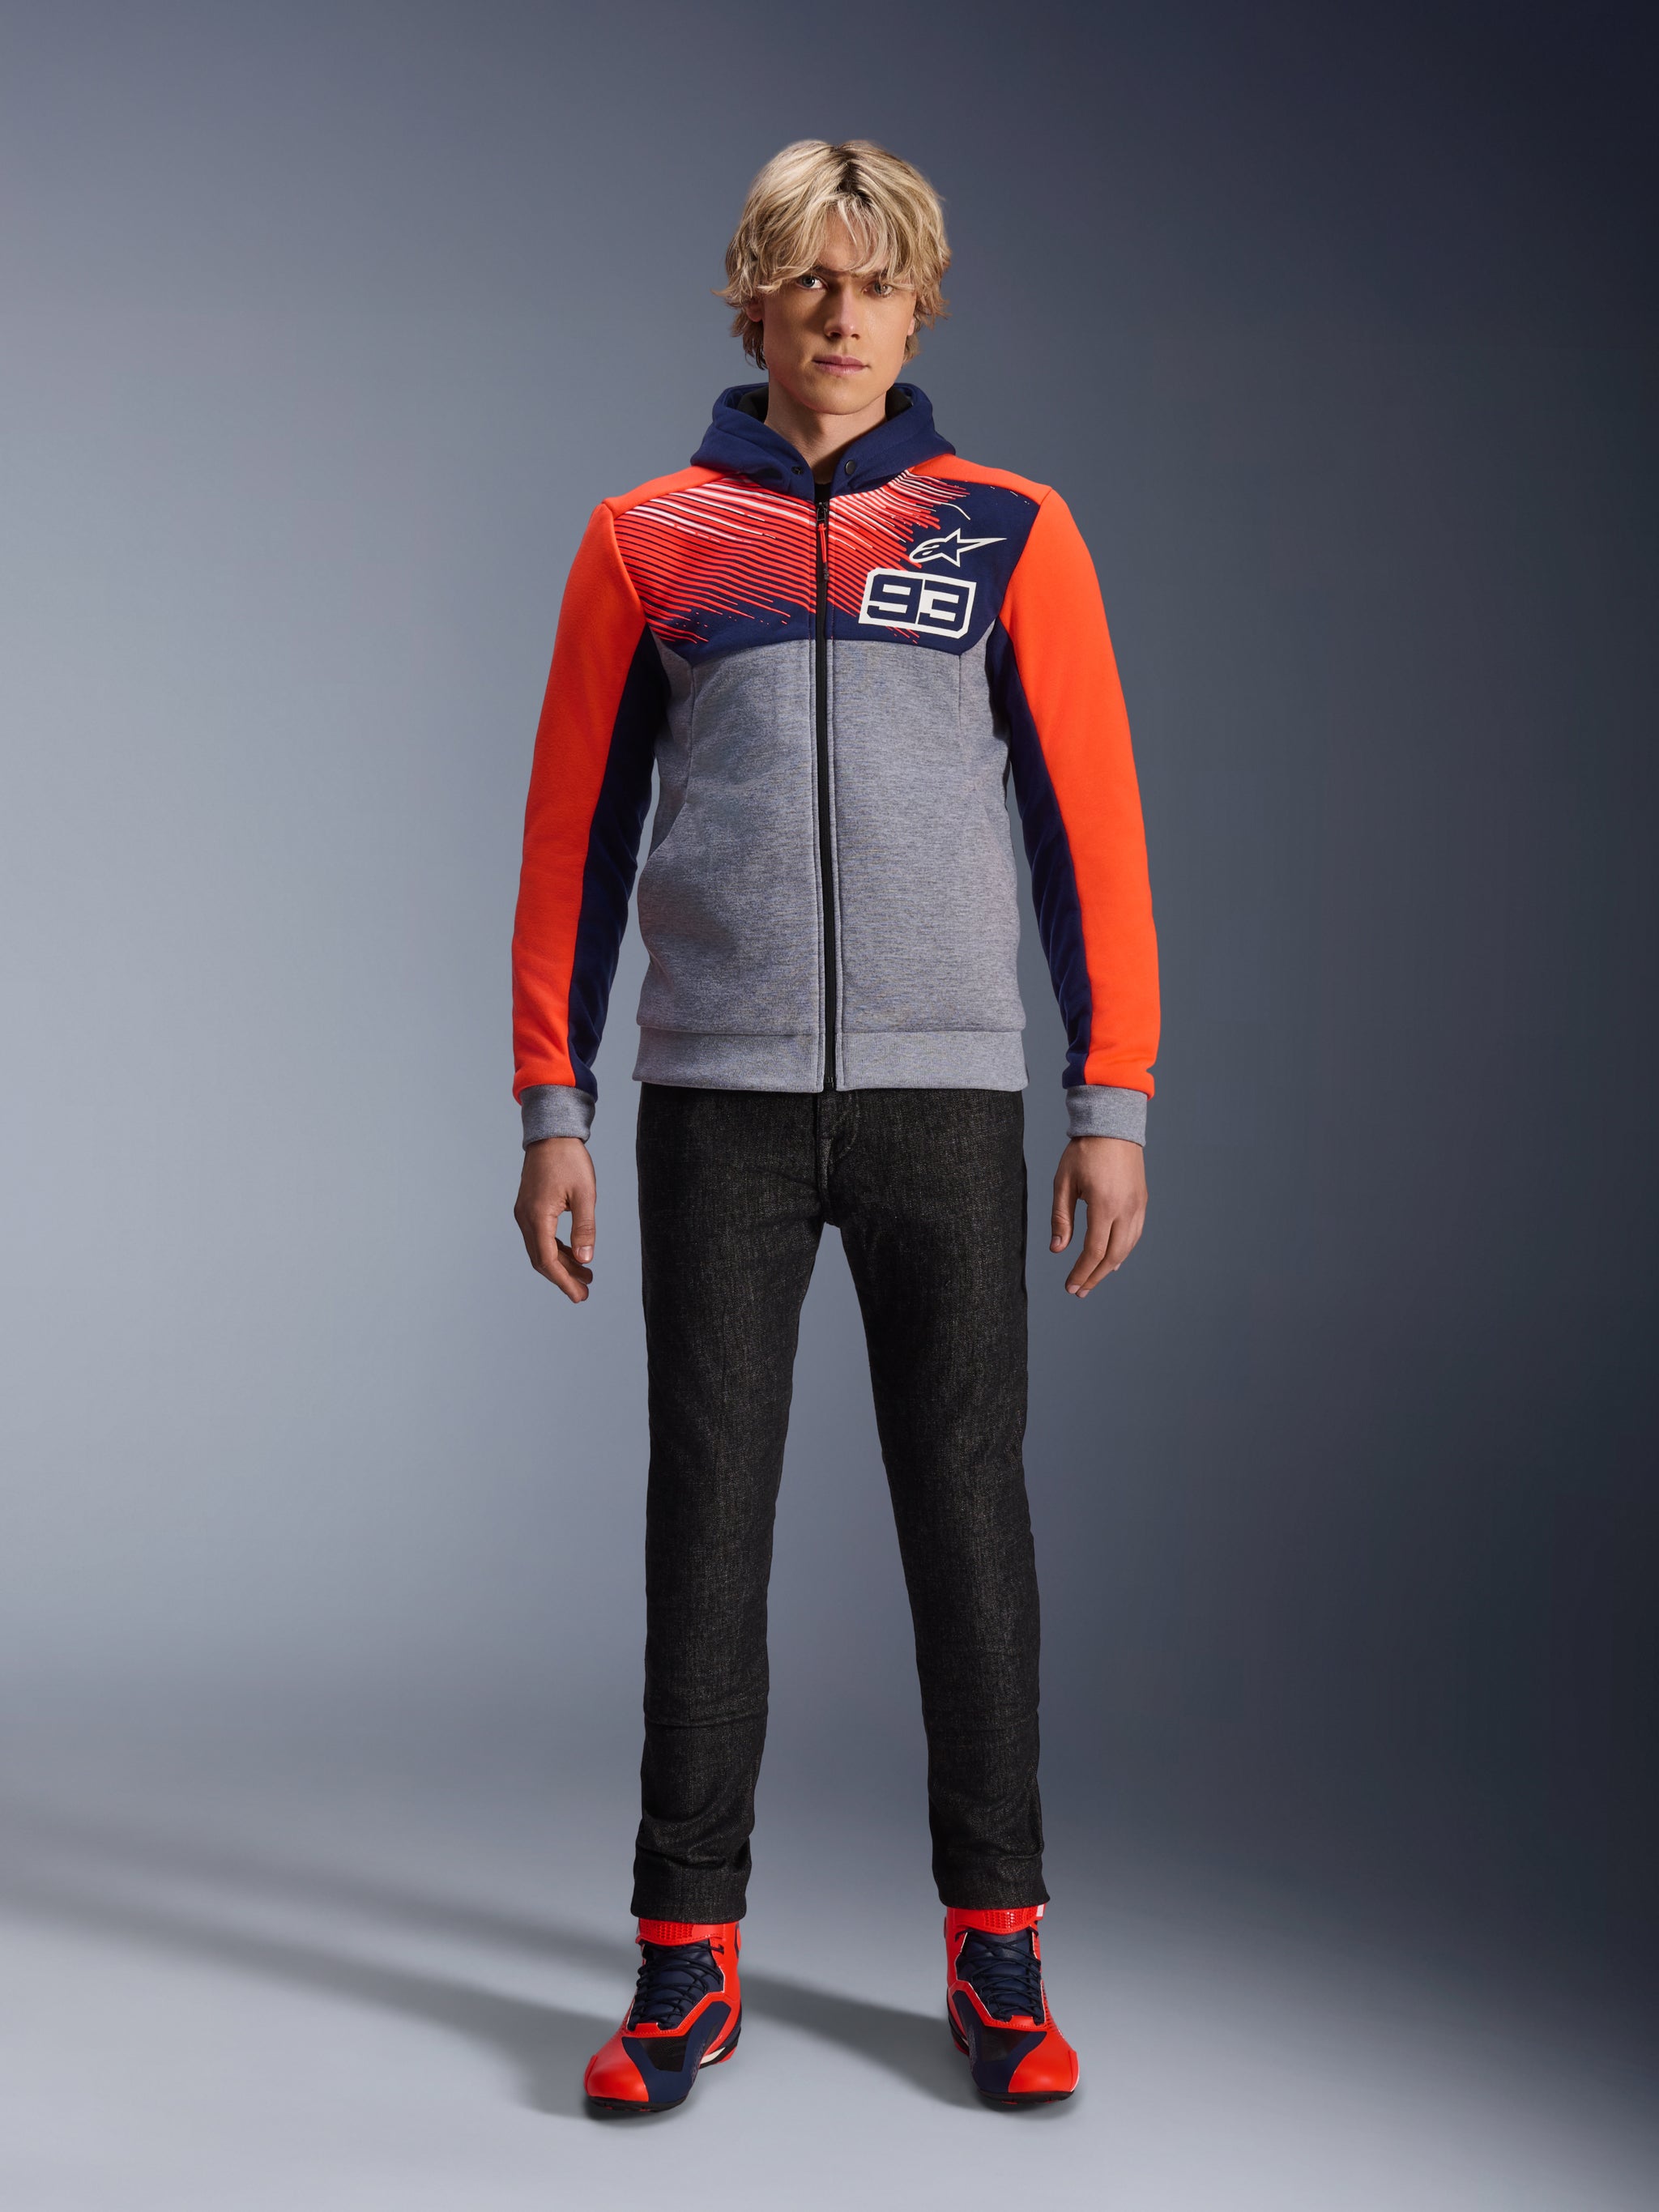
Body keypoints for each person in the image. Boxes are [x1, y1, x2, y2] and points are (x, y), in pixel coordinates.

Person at [510, 139, 1158, 2113]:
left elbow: (1088, 828)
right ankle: (681, 1959)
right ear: (753, 300)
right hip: (714, 1096)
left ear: (919, 302)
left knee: (969, 1519)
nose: (843, 313)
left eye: (876, 281)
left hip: (948, 1093)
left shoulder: (1007, 531)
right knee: (704, 1523)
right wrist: (553, 1101)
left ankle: (998, 1949)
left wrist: (1110, 1097)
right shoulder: (644, 539)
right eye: (808, 278)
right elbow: (573, 837)